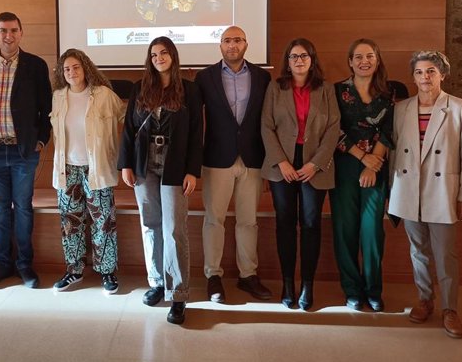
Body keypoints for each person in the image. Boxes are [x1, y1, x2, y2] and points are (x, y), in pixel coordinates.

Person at [388, 51, 462, 339]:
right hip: (409, 190)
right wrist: (393, 192)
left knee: (445, 253)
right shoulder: (401, 109)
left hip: (442, 192)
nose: (424, 77)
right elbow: (394, 153)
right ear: (412, 76)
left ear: (442, 74)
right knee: (418, 251)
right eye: (419, 72)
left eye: (430, 72)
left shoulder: (461, 108)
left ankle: (450, 309)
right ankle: (425, 300)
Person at [118, 36, 202, 325]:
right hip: (144, 166)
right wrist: (125, 164)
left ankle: (177, 294)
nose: (158, 58)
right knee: (150, 224)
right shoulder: (140, 88)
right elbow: (129, 129)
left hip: (175, 166)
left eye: (164, 52)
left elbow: (196, 133)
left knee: (174, 228)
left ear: (173, 55)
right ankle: (156, 282)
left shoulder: (189, 90)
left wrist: (193, 170)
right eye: (153, 54)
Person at [0, 12, 52, 289]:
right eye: (3, 30)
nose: (9, 35)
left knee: (24, 208)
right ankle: (3, 264)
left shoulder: (36, 66)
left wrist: (41, 140)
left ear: (21, 33)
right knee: (1, 210)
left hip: (23, 152)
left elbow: (46, 108)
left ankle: (25, 265)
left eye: (14, 30)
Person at [261, 38, 340, 310]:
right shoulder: (275, 88)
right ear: (287, 61)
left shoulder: (326, 89)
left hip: (313, 166)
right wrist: (281, 161)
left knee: (310, 225)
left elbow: (333, 129)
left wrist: (315, 164)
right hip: (282, 164)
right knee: (285, 223)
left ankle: (307, 284)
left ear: (312, 59)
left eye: (304, 56)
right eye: (293, 56)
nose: (299, 61)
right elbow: (266, 127)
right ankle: (287, 283)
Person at [195, 26, 272, 303]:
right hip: (217, 159)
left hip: (252, 159)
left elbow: (269, 120)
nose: (232, 45)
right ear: (220, 46)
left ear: (246, 44)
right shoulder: (204, 78)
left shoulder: (263, 77)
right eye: (227, 40)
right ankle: (213, 276)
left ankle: (248, 275)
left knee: (248, 221)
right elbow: (194, 121)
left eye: (237, 40)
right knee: (214, 220)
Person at [49, 48, 124, 295]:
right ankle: (74, 270)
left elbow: (123, 119)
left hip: (97, 168)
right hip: (67, 168)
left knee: (103, 221)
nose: (71, 72)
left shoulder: (103, 95)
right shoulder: (58, 96)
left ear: (86, 68)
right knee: (71, 221)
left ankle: (107, 271)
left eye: (76, 67)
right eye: (66, 69)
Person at [331, 38, 393, 312]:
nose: (364, 61)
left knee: (371, 231)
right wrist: (361, 157)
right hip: (344, 165)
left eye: (369, 56)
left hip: (375, 167)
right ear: (350, 61)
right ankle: (352, 290)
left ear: (377, 60)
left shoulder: (389, 93)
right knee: (345, 230)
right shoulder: (336, 91)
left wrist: (372, 162)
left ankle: (373, 290)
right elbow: (332, 130)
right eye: (358, 56)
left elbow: (389, 130)